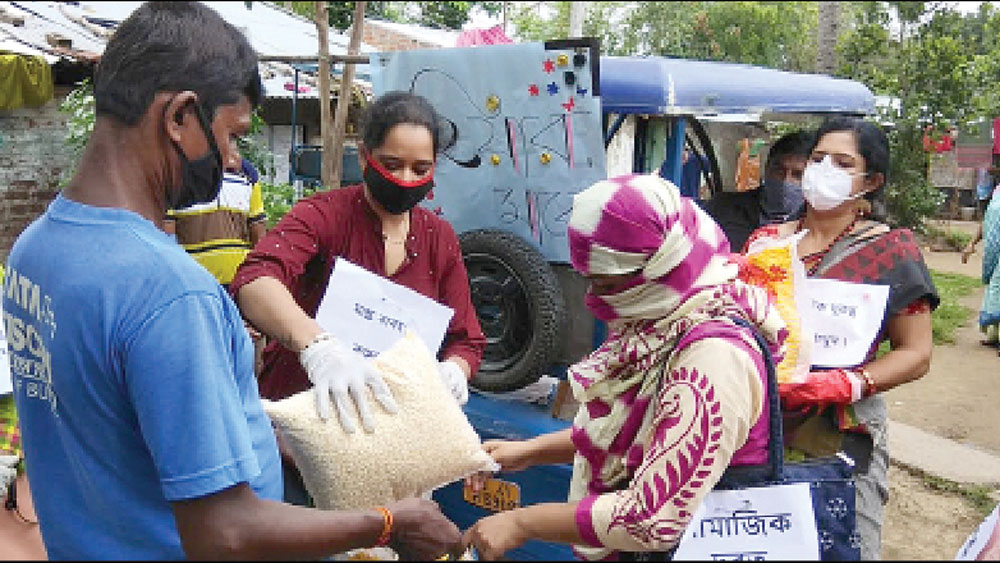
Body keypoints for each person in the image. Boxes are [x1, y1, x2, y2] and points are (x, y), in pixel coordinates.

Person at [3, 2, 460, 559]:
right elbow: (225, 534)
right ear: (179, 117)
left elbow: (113, 420)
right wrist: (389, 522)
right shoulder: (170, 293)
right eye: (232, 134)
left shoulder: (35, 248)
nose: (233, 157)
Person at [460, 173, 789, 560]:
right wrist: (529, 452)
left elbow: (651, 519)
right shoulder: (663, 317)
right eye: (590, 281)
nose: (594, 298)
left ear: (657, 267)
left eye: (606, 283)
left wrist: (521, 523)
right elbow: (628, 431)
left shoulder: (715, 358)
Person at [742, 116, 939, 560]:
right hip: (761, 419)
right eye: (817, 159)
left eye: (842, 162)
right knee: (757, 538)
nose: (823, 169)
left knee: (842, 541)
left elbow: (917, 352)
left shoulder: (891, 251)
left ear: (870, 181)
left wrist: (848, 383)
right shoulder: (766, 244)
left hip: (844, 427)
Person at [230, 91, 487, 427]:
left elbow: (465, 338)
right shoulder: (323, 216)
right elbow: (256, 280)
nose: (406, 179)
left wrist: (454, 370)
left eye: (420, 168)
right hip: (299, 425)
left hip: (384, 434)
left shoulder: (439, 238)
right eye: (392, 165)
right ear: (366, 158)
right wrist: (319, 348)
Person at [162, 155, 267, 289]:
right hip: (194, 285)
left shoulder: (247, 174)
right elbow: (167, 239)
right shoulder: (176, 175)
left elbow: (258, 233)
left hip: (238, 285)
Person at [701, 130, 813, 251]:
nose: (786, 180)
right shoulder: (723, 206)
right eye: (779, 170)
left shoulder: (818, 222)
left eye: (798, 174)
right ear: (766, 167)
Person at [975, 183, 1000, 349]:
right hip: (996, 251)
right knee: (995, 289)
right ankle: (994, 335)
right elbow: (987, 222)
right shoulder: (997, 191)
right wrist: (972, 243)